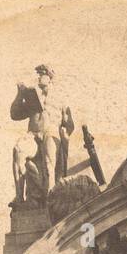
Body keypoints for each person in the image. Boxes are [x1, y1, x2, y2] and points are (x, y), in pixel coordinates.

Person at [10, 64, 74, 205]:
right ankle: (19, 198)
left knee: (48, 161)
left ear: (50, 77)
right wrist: (19, 94)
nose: (38, 76)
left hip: (51, 133)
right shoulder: (32, 96)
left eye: (42, 73)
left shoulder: (60, 99)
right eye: (38, 73)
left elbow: (69, 124)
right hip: (33, 134)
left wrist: (65, 134)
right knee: (18, 150)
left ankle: (51, 200)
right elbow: (14, 114)